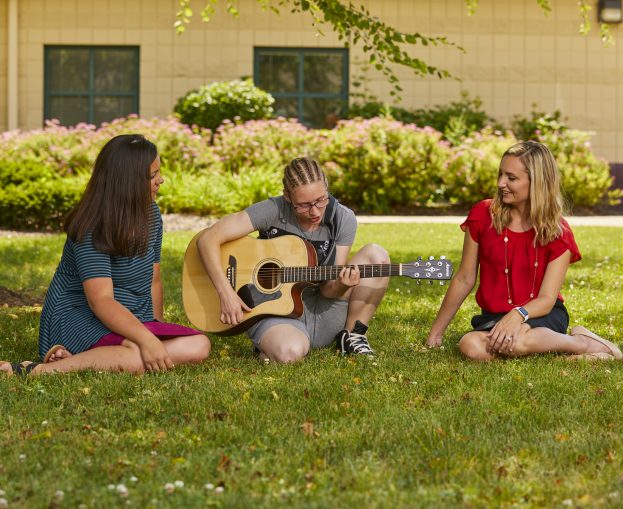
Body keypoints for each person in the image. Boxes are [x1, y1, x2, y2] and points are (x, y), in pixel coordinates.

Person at [1, 134, 211, 376]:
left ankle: (84, 359)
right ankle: (38, 371)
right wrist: (148, 341)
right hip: (79, 316)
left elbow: (154, 280)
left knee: (199, 345)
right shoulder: (92, 226)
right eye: (152, 175)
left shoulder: (152, 215)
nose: (160, 180)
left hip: (133, 316)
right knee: (135, 352)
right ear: (127, 182)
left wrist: (155, 328)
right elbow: (100, 300)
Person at [426, 140, 622, 361]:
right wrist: (436, 333)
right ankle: (550, 352)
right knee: (470, 345)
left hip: (541, 314)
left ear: (537, 182)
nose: (501, 183)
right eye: (500, 174)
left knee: (518, 340)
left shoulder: (559, 233)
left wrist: (518, 315)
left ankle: (580, 342)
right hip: (495, 316)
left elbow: (547, 298)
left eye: (511, 178)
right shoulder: (481, 215)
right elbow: (464, 278)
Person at [197, 157, 389, 362]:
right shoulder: (273, 210)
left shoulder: (342, 218)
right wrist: (226, 292)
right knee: (290, 353)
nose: (315, 211)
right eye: (304, 205)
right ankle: (276, 343)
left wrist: (342, 285)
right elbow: (208, 239)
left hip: (322, 309)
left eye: (321, 200)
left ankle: (351, 337)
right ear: (287, 196)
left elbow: (328, 290)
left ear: (326, 186)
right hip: (275, 312)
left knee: (376, 255)